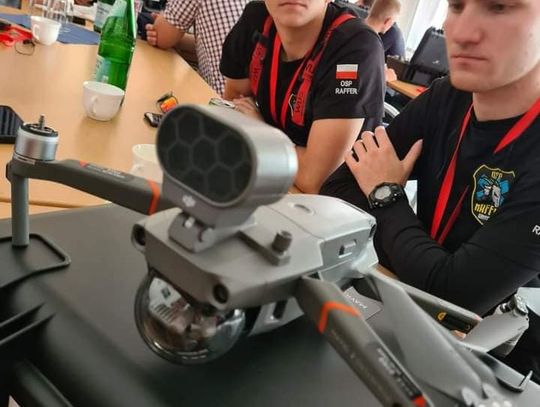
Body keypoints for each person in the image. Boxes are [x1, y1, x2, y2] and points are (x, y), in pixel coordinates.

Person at [321, 0, 540, 382]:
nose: (463, 32)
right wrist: (430, 271)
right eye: (456, 5)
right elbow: (337, 190)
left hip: (496, 366)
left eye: (500, 7)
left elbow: (454, 299)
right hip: (408, 312)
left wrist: (385, 193)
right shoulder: (448, 96)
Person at [220, 0, 385, 194]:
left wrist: (261, 132)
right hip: (269, 171)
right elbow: (234, 108)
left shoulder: (356, 46)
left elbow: (313, 179)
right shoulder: (256, 19)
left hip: (334, 200)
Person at [144, 0, 249, 95]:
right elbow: (209, 47)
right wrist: (171, 35)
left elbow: (160, 37)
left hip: (222, 100)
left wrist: (163, 28)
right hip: (243, 101)